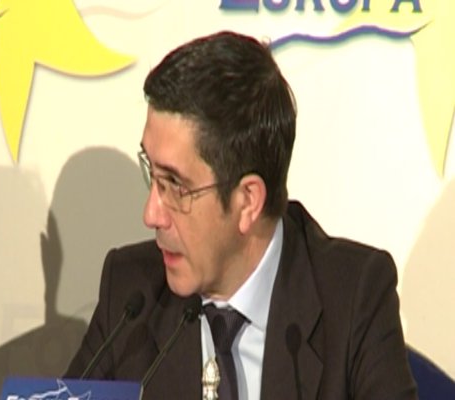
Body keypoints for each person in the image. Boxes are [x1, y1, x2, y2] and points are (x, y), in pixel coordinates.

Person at [65, 31, 417, 399]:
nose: (151, 214)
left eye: (176, 185)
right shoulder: (131, 295)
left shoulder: (353, 297)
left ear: (248, 201)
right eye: (151, 174)